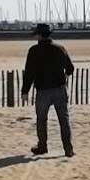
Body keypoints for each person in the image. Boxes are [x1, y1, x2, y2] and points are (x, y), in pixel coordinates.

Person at [20, 23, 75, 157]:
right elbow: (70, 68)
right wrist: (65, 75)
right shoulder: (60, 49)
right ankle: (68, 149)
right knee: (64, 119)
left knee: (41, 119)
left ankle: (42, 146)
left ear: (39, 35)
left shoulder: (33, 51)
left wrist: (25, 91)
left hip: (43, 90)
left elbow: (29, 73)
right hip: (60, 89)